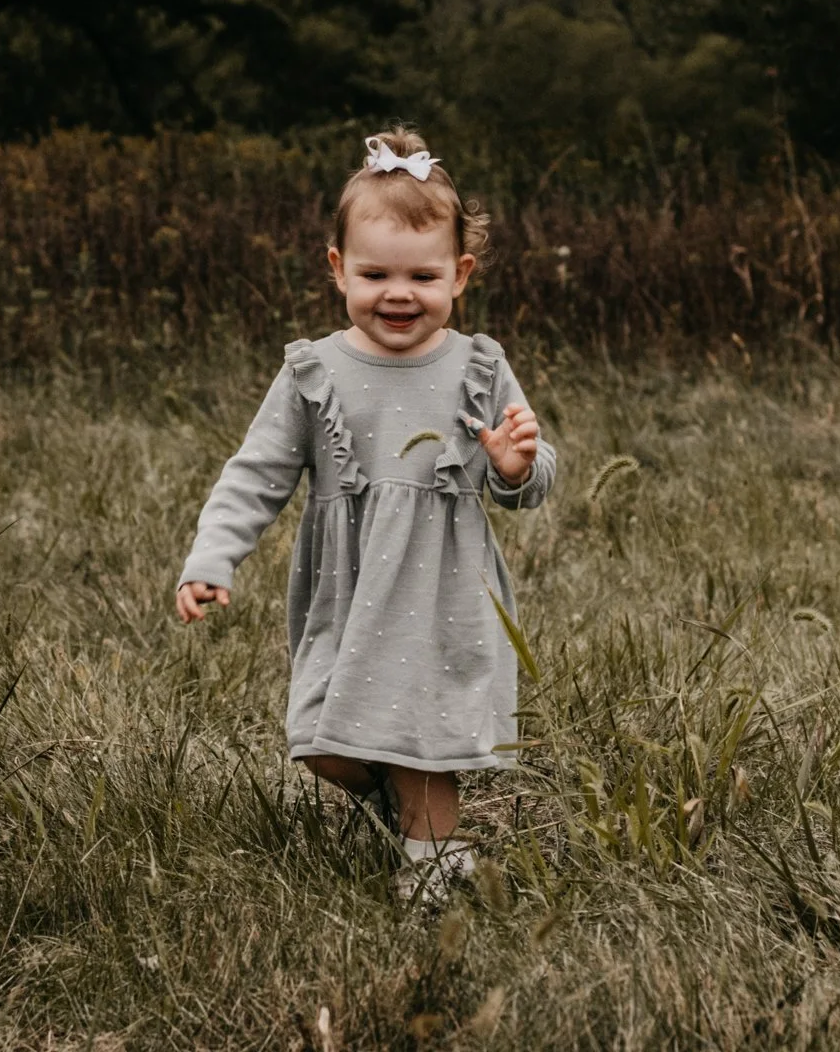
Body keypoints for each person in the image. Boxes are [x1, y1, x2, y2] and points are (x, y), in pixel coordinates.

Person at [175, 128, 557, 900]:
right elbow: (256, 474)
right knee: (321, 739)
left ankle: (434, 871)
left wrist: (516, 466)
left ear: (460, 275)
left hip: (443, 588)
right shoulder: (314, 371)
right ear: (337, 268)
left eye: (423, 275)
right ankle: (406, 811)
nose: (398, 294)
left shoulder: (479, 365)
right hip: (346, 591)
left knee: (422, 735)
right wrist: (213, 557)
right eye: (375, 273)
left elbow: (531, 476)